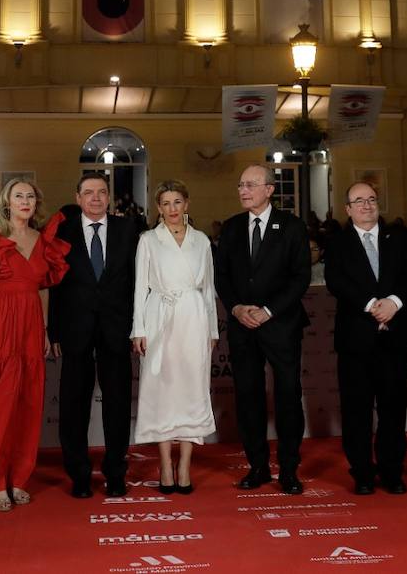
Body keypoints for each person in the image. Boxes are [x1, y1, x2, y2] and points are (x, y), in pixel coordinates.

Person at [0, 179, 70, 511]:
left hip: (33, 326)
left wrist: (47, 331)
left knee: (29, 403)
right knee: (0, 405)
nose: (24, 201)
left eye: (30, 196)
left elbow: (44, 289)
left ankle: (19, 477)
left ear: (37, 203)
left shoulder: (45, 241)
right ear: (6, 202)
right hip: (1, 323)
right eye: (18, 196)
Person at [214, 164, 311, 495]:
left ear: (270, 189)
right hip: (242, 326)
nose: (243, 190)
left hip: (281, 325)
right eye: (240, 184)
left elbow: (300, 277)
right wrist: (237, 308)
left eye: (251, 184)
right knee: (248, 397)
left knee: (287, 396)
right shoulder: (231, 228)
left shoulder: (293, 226)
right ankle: (257, 466)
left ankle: (288, 469)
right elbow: (221, 276)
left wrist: (268, 311)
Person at [324, 182, 407, 496]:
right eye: (358, 201)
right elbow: (336, 281)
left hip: (396, 336)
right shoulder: (337, 243)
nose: (366, 205)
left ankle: (392, 471)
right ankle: (362, 472)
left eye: (371, 199)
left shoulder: (399, 238)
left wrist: (394, 303)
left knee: (393, 408)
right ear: (347, 209)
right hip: (355, 339)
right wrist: (370, 306)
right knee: (356, 409)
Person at [49, 174, 136, 498]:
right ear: (78, 196)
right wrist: (54, 330)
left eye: (101, 192)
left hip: (117, 330)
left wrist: (137, 326)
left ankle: (116, 473)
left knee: (117, 405)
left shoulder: (128, 230)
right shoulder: (63, 231)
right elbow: (54, 285)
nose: (96, 198)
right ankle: (79, 474)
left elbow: (136, 281)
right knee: (73, 407)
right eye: (89, 193)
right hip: (75, 331)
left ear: (109, 197)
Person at [131, 180, 216, 494]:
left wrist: (211, 330)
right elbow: (140, 287)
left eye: (177, 202)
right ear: (158, 208)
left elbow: (208, 289)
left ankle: (185, 465)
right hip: (160, 318)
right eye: (165, 203)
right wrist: (138, 329)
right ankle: (166, 463)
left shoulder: (202, 241)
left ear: (187, 204)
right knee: (162, 391)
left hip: (193, 319)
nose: (172, 209)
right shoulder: (148, 240)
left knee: (192, 390)